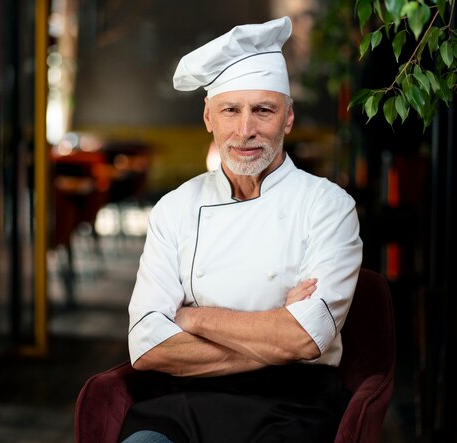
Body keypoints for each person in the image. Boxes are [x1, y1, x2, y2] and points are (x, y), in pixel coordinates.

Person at [119, 16, 363, 443]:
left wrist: (190, 317)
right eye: (231, 110)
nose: (245, 129)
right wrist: (275, 334)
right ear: (208, 117)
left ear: (288, 118)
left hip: (293, 405)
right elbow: (145, 345)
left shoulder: (329, 206)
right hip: (184, 403)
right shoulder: (174, 208)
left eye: (263, 110)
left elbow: (306, 339)